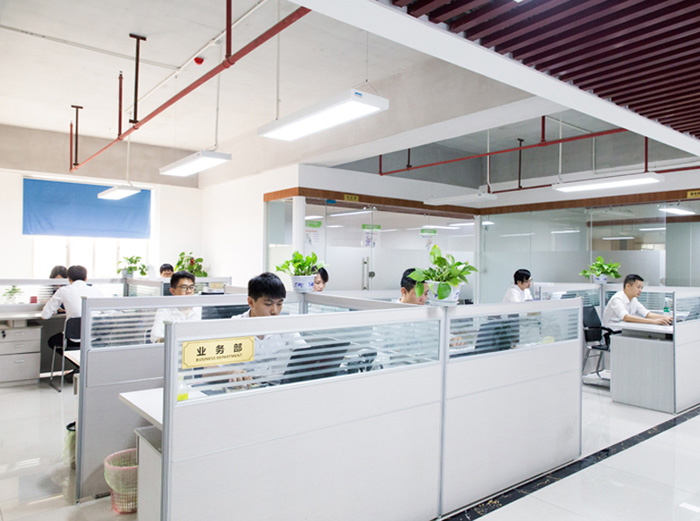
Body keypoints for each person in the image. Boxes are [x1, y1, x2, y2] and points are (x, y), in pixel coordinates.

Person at [232, 272, 307, 385]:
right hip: (239, 388)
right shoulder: (234, 326)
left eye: (279, 304)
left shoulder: (283, 326)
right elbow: (209, 367)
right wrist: (231, 372)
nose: (274, 311)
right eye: (268, 304)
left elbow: (306, 353)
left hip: (270, 386)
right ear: (251, 302)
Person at [41, 265, 102, 351]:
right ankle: (76, 358)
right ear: (86, 278)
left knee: (52, 341)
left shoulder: (63, 290)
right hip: (93, 338)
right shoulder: (96, 291)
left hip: (73, 339)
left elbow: (45, 316)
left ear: (68, 278)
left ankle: (70, 357)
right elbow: (108, 313)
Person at [150, 271, 201, 343]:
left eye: (191, 287)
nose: (189, 291)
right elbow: (155, 338)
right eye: (184, 287)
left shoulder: (200, 309)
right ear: (173, 291)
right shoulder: (165, 310)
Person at [603, 274, 672, 326]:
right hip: (612, 332)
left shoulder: (633, 299)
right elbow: (626, 317)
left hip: (625, 330)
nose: (640, 290)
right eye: (638, 287)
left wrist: (667, 317)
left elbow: (647, 314)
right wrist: (653, 321)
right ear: (628, 286)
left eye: (641, 288)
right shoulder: (617, 299)